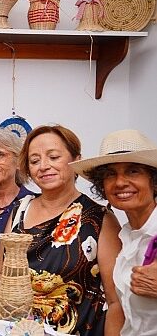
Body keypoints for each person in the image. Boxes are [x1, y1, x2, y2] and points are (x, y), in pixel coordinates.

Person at [0, 125, 122, 335]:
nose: (43, 166)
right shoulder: (20, 210)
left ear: (75, 159)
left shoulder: (99, 219)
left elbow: (115, 301)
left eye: (53, 157)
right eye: (34, 161)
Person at [70, 129, 157, 335]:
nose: (119, 182)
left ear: (153, 180)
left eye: (133, 171)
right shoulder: (125, 234)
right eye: (110, 174)